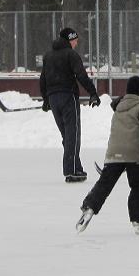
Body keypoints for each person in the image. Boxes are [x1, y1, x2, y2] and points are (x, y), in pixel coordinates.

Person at [75, 76, 139, 235]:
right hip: (134, 154)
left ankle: (89, 207)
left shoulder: (119, 106)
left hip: (113, 153)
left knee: (105, 184)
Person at [40, 27, 101, 183]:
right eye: (75, 40)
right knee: (73, 135)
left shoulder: (48, 56)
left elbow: (43, 79)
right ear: (69, 39)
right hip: (68, 97)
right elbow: (81, 75)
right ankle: (71, 171)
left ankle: (76, 167)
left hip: (54, 98)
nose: (76, 43)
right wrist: (93, 93)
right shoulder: (71, 54)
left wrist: (46, 100)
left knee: (67, 136)